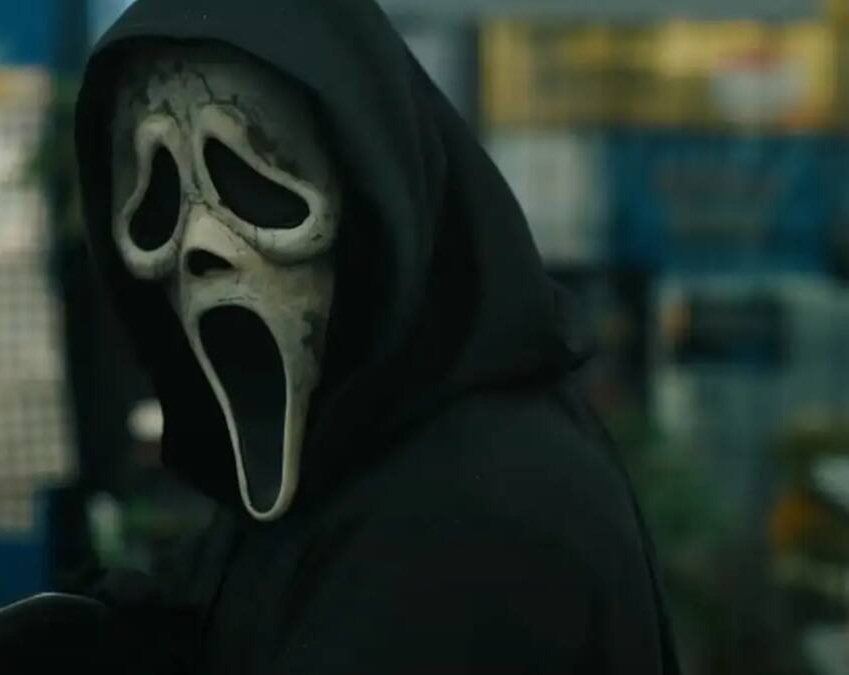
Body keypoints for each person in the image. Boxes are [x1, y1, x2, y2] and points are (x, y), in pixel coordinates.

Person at [72, 0, 682, 672]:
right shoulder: (349, 462)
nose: (199, 245)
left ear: (370, 199)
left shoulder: (482, 518)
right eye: (158, 201)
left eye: (254, 181)